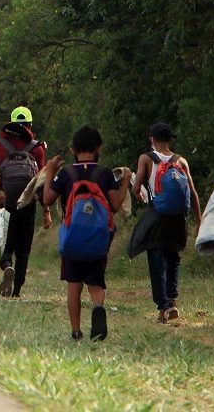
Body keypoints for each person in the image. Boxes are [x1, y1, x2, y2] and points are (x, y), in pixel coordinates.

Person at [43, 126, 130, 341]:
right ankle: (98, 307)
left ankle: (75, 330)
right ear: (99, 147)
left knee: (74, 284)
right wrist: (126, 180)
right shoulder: (104, 174)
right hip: (99, 238)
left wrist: (50, 170)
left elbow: (47, 199)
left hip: (72, 237)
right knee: (95, 281)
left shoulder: (66, 173)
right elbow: (116, 205)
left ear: (73, 149)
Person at [128, 123, 202, 323]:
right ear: (170, 139)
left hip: (158, 217)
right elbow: (193, 193)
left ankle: (164, 308)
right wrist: (199, 220)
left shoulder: (146, 158)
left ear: (152, 139)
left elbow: (136, 187)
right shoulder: (182, 161)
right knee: (173, 259)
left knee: (156, 262)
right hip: (178, 220)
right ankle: (172, 300)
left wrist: (140, 194)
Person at [0, 106, 50, 298]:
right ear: (29, 125)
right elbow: (42, 179)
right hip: (28, 202)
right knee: (24, 249)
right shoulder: (37, 148)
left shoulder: (0, 145)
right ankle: (17, 290)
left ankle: (7, 264)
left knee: (7, 244)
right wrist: (46, 209)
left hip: (7, 201)